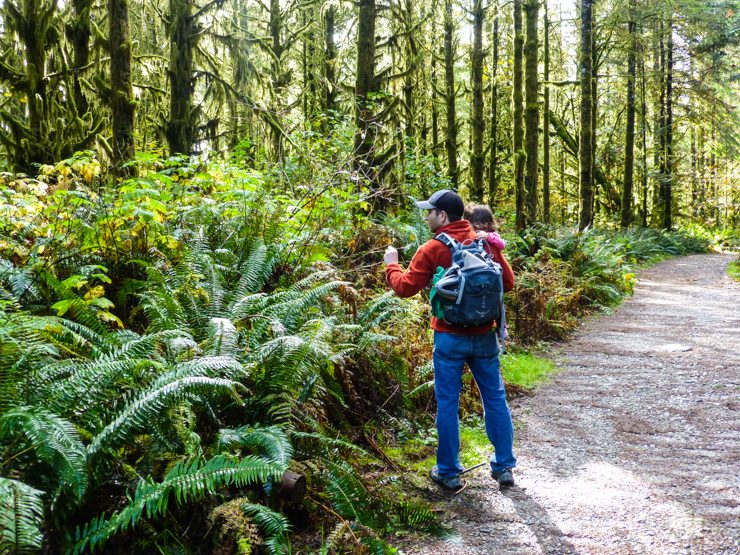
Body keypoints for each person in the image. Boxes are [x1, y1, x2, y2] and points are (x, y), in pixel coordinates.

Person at [383, 189, 517, 491]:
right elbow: (507, 283)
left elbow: (404, 288)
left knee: (447, 403)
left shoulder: (432, 248)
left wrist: (391, 264)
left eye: (429, 211)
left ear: (442, 215)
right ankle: (505, 466)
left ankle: (448, 471)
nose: (426, 216)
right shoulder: (484, 242)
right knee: (495, 399)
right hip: (484, 335)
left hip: (448, 338)